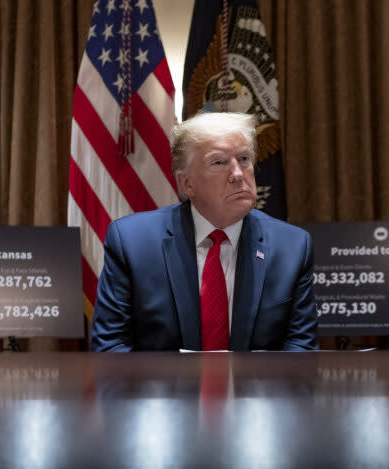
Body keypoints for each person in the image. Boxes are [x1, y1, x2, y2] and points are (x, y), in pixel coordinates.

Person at [91, 111, 319, 351]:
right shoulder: (132, 243)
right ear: (187, 183)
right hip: (161, 388)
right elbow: (110, 347)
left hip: (255, 388)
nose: (238, 174)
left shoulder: (292, 247)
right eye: (219, 162)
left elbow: (300, 350)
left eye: (244, 158)